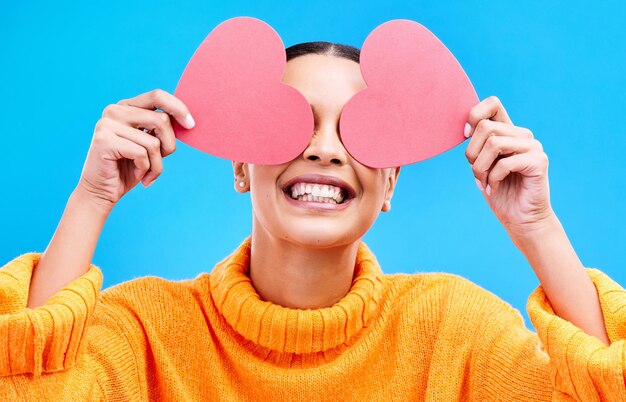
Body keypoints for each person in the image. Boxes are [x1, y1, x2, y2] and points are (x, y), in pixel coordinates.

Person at [1, 42, 624, 401]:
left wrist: (537, 227)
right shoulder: (146, 333)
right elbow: (28, 387)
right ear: (241, 165)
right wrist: (90, 198)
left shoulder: (452, 333)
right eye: (293, 120)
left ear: (390, 183)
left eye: (356, 129)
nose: (324, 149)